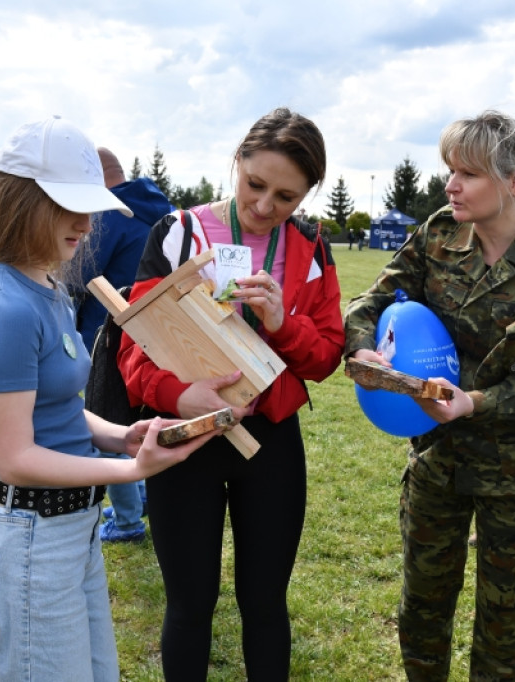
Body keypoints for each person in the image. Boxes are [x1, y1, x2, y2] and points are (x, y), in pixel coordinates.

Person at [0, 116, 214, 680]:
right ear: (21, 203)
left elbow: (49, 407)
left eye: (89, 207)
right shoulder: (6, 305)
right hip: (33, 536)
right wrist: (132, 469)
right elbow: (15, 457)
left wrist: (116, 434)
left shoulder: (47, 284)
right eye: (66, 206)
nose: (85, 224)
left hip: (68, 528)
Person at [344, 110, 515, 681]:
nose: (450, 185)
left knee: (505, 628)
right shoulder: (440, 231)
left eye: (467, 173)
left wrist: (472, 402)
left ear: (513, 180)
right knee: (422, 610)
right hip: (437, 457)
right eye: (449, 170)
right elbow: (373, 299)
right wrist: (364, 347)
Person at [117, 107, 344, 680]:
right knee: (190, 605)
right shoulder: (176, 233)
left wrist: (280, 323)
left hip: (268, 442)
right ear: (237, 161)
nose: (266, 207)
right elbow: (134, 347)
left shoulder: (311, 249)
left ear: (308, 195)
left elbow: (323, 358)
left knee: (265, 604)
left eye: (287, 197)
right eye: (256, 185)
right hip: (185, 441)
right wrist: (177, 396)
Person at [76, 145, 175, 544]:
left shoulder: (109, 215)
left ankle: (128, 518)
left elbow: (77, 274)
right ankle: (142, 495)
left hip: (105, 338)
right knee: (137, 423)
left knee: (109, 426)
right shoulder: (164, 211)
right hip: (155, 339)